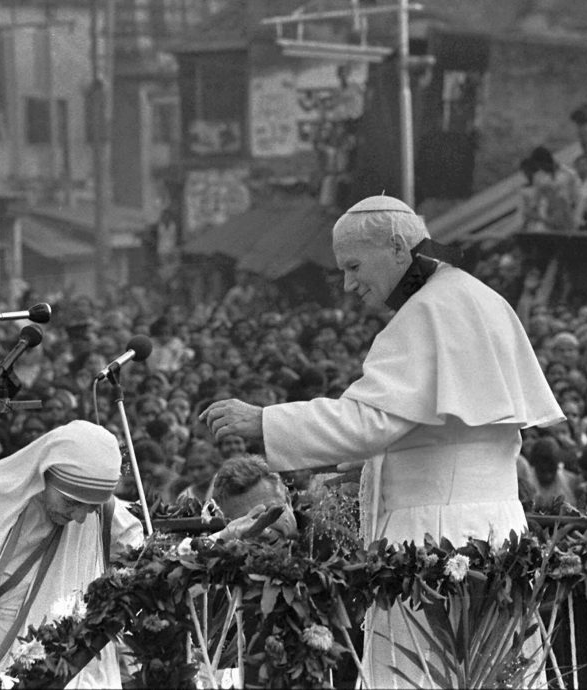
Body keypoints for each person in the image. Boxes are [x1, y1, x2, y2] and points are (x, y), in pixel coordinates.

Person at [200, 195, 563, 688]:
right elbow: (444, 435)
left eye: (353, 266)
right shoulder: (476, 296)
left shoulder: (428, 309)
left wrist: (264, 421)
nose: (349, 284)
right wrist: (378, 465)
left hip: (437, 540)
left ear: (396, 248)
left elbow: (369, 420)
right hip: (495, 530)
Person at [0, 421, 144, 689]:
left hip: (70, 672)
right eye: (71, 503)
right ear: (44, 473)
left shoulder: (99, 508)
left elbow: (139, 549)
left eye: (92, 507)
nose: (80, 518)